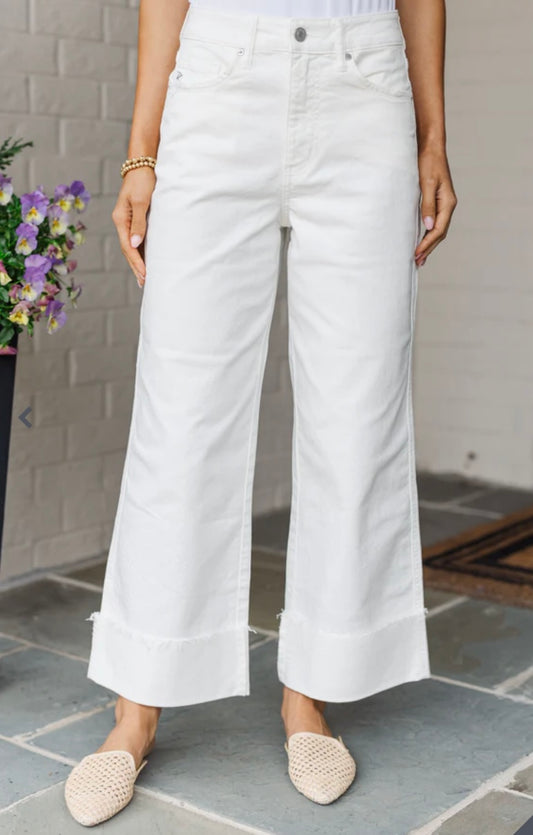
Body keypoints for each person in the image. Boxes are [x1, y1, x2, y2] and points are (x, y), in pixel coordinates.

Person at [64, 0, 457, 825]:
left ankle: (307, 695)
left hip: (364, 81)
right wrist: (143, 152)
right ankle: (136, 709)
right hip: (217, 78)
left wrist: (432, 134)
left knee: (357, 412)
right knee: (182, 412)